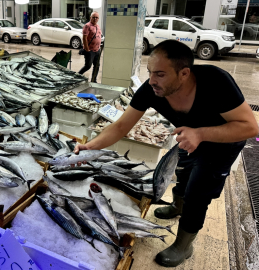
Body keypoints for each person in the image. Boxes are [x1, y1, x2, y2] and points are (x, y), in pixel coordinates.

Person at [73, 40, 258, 267]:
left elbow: (250, 127)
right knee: (184, 172)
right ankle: (177, 206)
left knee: (198, 193)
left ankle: (183, 245)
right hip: (189, 136)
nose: (151, 80)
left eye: (160, 74)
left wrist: (200, 134)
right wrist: (89, 147)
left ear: (184, 73)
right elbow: (121, 127)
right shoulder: (151, 90)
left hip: (224, 141)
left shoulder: (216, 82)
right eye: (150, 72)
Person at [78, 11, 103, 83]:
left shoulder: (98, 26)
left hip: (97, 50)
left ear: (98, 18)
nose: (95, 19)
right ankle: (77, 76)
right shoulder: (87, 26)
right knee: (88, 66)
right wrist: (87, 49)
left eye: (96, 17)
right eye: (93, 17)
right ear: (90, 18)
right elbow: (84, 38)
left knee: (97, 66)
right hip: (90, 50)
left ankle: (93, 80)